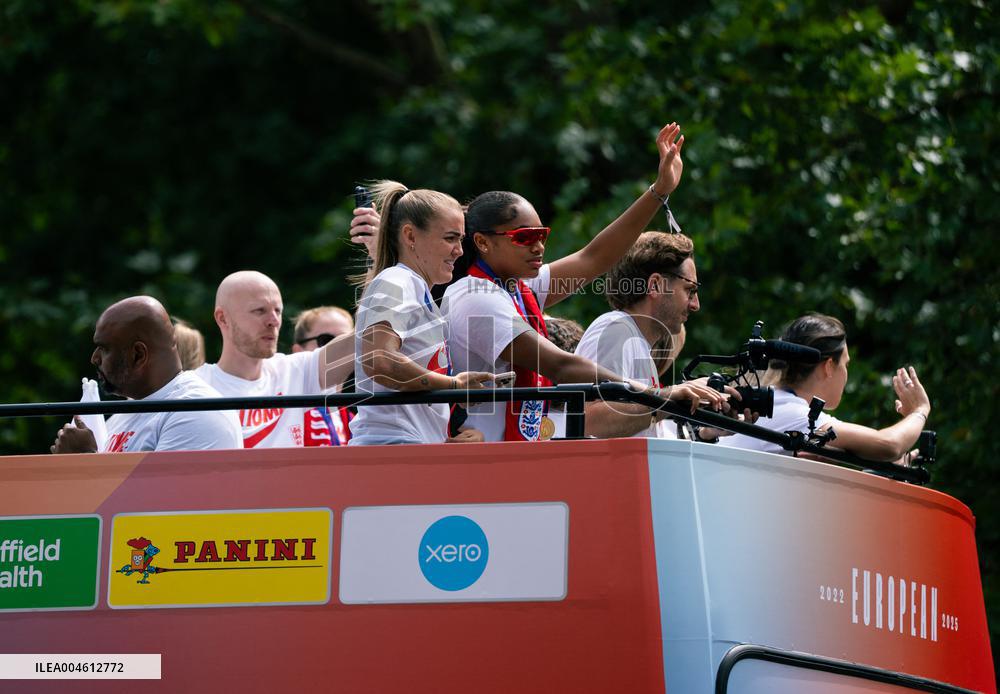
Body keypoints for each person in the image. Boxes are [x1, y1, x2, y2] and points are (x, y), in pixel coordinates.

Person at [444, 122, 723, 441]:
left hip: (509, 455)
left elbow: (596, 258)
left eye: (542, 235)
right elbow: (560, 365)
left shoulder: (519, 290)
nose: (539, 246)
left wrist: (659, 191)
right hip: (482, 465)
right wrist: (652, 394)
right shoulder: (475, 294)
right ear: (482, 242)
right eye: (525, 237)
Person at [349, 181, 492, 445]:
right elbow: (378, 361)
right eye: (450, 238)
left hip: (404, 452)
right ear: (410, 236)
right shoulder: (397, 281)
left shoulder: (413, 287)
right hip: (391, 455)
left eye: (460, 239)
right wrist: (453, 386)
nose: (459, 250)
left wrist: (446, 442)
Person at [720, 313, 932, 462]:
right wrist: (919, 411)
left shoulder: (775, 403)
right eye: (846, 364)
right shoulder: (796, 415)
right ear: (829, 366)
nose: (846, 373)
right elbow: (889, 445)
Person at [51, 296, 241, 454]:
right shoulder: (125, 414)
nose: (94, 358)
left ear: (138, 355)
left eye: (104, 348)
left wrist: (83, 461)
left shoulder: (197, 413)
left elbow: (160, 498)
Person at [195, 271, 355, 448]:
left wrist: (383, 262)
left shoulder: (293, 371)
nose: (274, 321)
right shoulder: (196, 387)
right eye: (259, 310)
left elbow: (366, 340)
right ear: (223, 318)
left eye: (277, 311)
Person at [575, 232, 703, 438]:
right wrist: (669, 398)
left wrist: (707, 428)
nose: (696, 305)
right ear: (655, 285)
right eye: (690, 290)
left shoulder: (632, 337)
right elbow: (588, 422)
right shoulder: (616, 329)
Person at [290, 305, 356, 445]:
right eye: (326, 341)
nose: (339, 349)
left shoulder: (355, 420)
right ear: (298, 351)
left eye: (347, 343)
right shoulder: (285, 413)